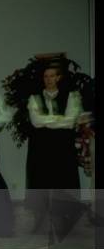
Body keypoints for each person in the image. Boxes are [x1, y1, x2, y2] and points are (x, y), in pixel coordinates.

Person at [26, 62, 83, 238]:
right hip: (40, 146)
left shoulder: (72, 96)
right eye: (46, 76)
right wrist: (59, 119)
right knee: (40, 181)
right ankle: (40, 217)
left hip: (63, 146)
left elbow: (71, 120)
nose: (49, 79)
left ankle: (67, 219)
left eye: (52, 76)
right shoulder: (34, 98)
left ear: (59, 77)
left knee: (65, 180)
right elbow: (36, 121)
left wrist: (48, 120)